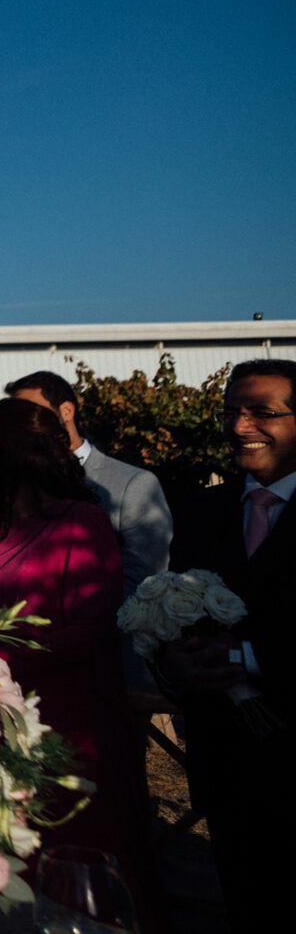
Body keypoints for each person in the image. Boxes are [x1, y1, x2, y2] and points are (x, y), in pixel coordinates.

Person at [0, 398, 163, 927]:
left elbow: (91, 627)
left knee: (82, 858)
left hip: (70, 718)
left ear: (9, 451)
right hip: (1, 714)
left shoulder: (84, 523)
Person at [158, 359, 295, 931]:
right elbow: (172, 615)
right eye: (232, 412)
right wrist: (173, 660)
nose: (240, 427)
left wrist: (247, 659)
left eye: (262, 412)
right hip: (224, 761)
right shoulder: (199, 512)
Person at [5, 370, 171, 601]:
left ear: (67, 411)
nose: (24, 425)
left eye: (32, 413)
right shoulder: (21, 488)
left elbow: (144, 581)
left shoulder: (133, 484)